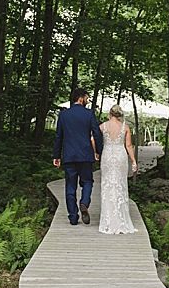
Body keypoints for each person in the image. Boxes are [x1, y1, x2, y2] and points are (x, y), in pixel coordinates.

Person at [53, 87, 104, 225]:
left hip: (69, 156)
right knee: (87, 182)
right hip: (86, 155)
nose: (87, 101)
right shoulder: (89, 114)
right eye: (87, 98)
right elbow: (97, 133)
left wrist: (56, 155)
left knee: (70, 185)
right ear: (80, 98)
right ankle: (84, 203)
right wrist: (99, 150)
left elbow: (59, 137)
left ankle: (73, 217)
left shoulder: (64, 115)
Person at [98, 104, 138, 234]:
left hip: (107, 155)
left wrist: (95, 153)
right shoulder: (125, 127)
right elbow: (129, 145)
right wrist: (133, 161)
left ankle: (108, 221)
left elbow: (93, 140)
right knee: (120, 185)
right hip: (120, 156)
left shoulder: (102, 126)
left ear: (110, 114)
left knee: (108, 185)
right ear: (120, 115)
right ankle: (121, 220)